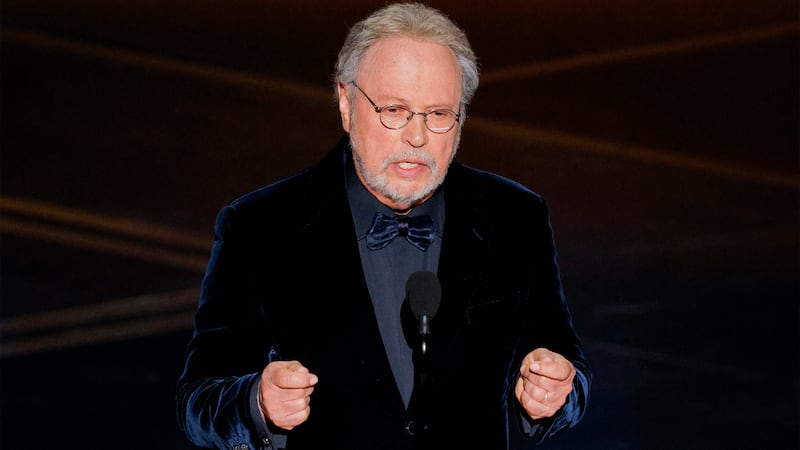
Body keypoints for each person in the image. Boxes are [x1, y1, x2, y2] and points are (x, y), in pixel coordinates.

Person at [176, 3, 592, 449]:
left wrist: (555, 392)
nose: (417, 137)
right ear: (346, 103)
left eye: (439, 114)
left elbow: (568, 370)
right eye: (394, 110)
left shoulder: (515, 217)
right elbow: (198, 403)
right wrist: (256, 402)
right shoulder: (260, 226)